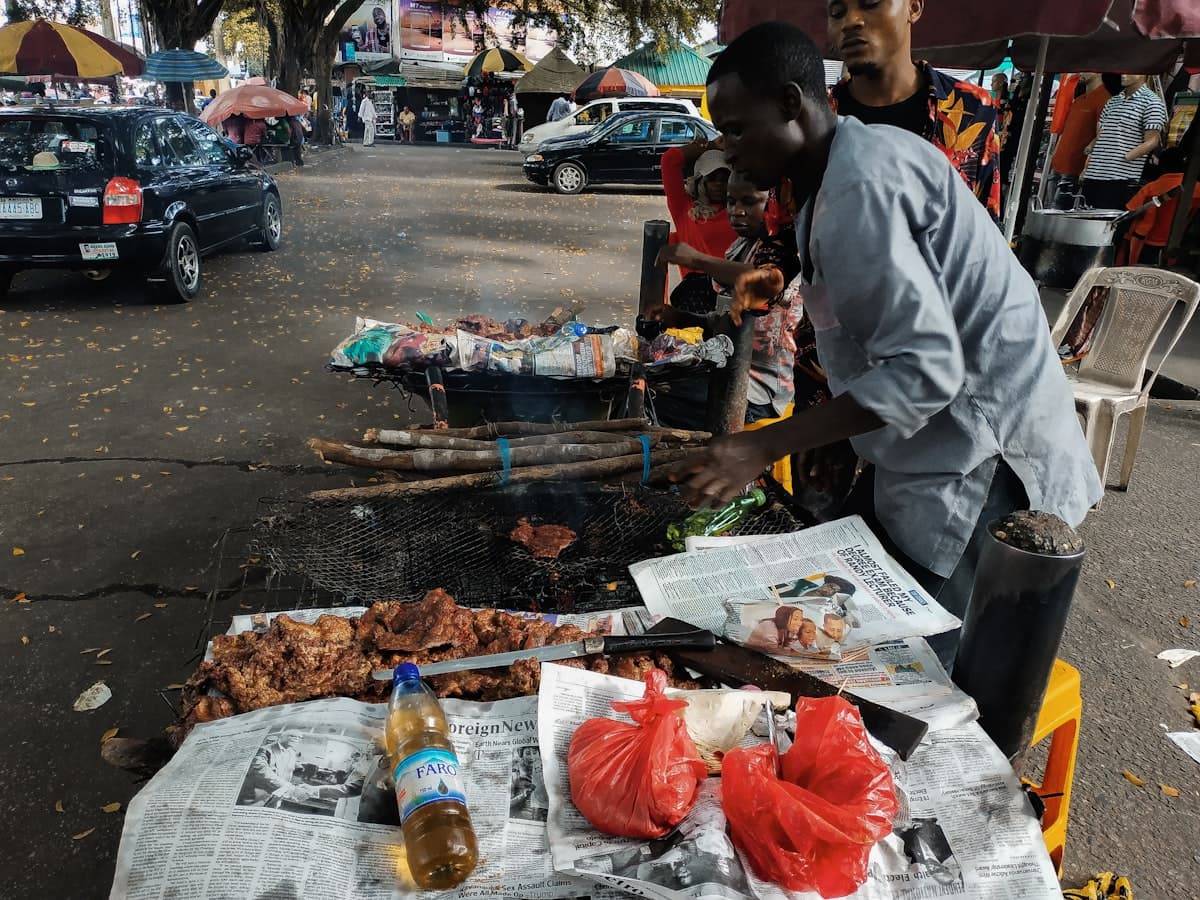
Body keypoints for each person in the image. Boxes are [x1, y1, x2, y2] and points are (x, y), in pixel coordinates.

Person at [682, 22, 1103, 667]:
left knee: (917, 667)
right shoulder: (838, 170)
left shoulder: (862, 189)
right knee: (831, 627)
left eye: (736, 129)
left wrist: (760, 445)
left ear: (793, 105)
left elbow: (926, 371)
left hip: (985, 459)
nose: (727, 151)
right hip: (922, 450)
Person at [649, 170, 802, 425]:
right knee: (648, 380)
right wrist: (680, 318)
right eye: (731, 202)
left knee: (652, 398)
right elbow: (727, 324)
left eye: (749, 202)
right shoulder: (741, 246)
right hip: (726, 371)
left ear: (775, 201)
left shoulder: (786, 248)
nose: (737, 210)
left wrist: (697, 259)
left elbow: (765, 279)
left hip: (760, 395)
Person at [827, 0, 1001, 222]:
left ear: (914, 7)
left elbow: (986, 233)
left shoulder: (971, 110)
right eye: (836, 13)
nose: (850, 21)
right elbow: (780, 234)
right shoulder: (816, 116)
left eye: (870, 3)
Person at [660, 138, 736, 312]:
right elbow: (669, 160)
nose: (719, 184)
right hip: (697, 299)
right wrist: (709, 146)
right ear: (700, 181)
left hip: (735, 295)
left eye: (724, 178)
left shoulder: (742, 212)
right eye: (712, 178)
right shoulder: (685, 209)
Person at [1080, 74, 1168, 209]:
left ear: (1143, 74)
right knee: (1085, 218)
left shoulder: (1152, 102)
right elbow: (1101, 137)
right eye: (1123, 71)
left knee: (1106, 223)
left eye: (1130, 72)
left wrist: (1127, 157)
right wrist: (1087, 167)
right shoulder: (1113, 101)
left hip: (1120, 177)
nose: (1123, 74)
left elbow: (1153, 141)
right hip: (1094, 173)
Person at [1119, 147, 1200, 266]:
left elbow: (1130, 211)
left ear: (1161, 166)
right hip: (1180, 245)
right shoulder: (1197, 188)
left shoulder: (1151, 188)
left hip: (1145, 245)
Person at [1045, 73, 1111, 208]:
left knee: (1058, 211)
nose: (1082, 72)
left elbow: (1102, 136)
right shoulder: (1079, 99)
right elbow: (1066, 130)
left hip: (1074, 168)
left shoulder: (1106, 99)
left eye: (1087, 69)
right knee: (1050, 209)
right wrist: (1054, 154)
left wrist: (1087, 167)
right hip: (1058, 165)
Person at [238, 732, 309, 808]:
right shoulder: (262, 750)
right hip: (257, 795)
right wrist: (288, 787)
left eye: (299, 738)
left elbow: (287, 769)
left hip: (276, 795)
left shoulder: (291, 752)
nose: (297, 739)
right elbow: (260, 769)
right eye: (293, 736)